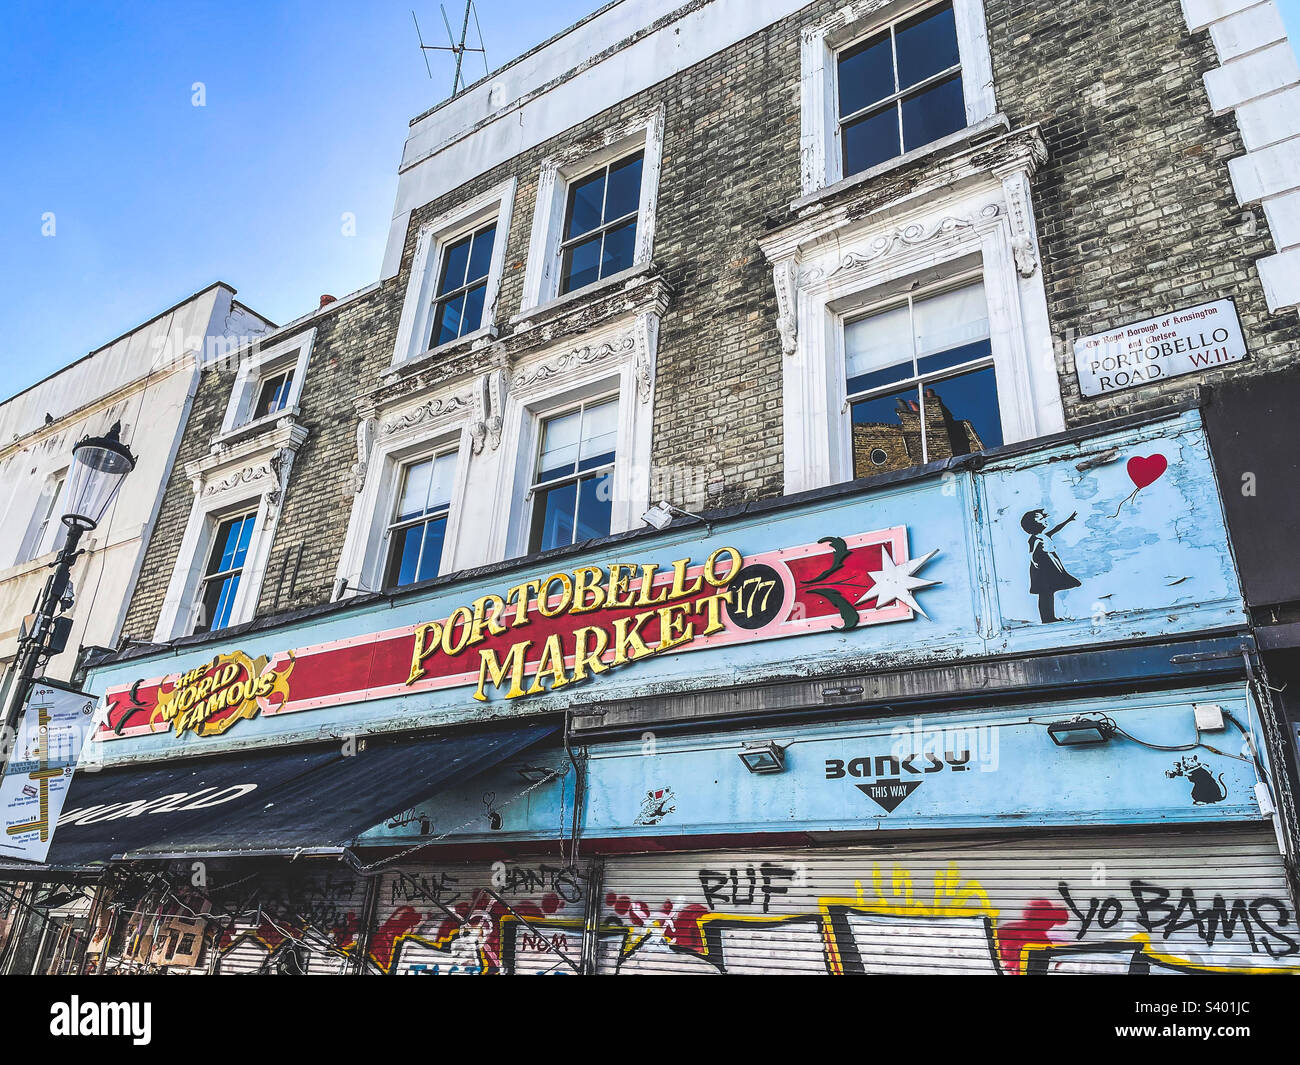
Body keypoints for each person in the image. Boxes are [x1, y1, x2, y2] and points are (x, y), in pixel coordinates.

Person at [1021, 508, 1080, 623]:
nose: (1045, 520)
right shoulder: (1035, 538)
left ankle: (1049, 618)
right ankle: (1047, 618)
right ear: (1033, 524)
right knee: (1045, 593)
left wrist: (1069, 520)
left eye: (1043, 518)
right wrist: (1033, 560)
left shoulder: (1045, 535)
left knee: (1048, 592)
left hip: (1048, 566)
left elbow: (1057, 528)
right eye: (1041, 519)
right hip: (1041, 568)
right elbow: (1031, 553)